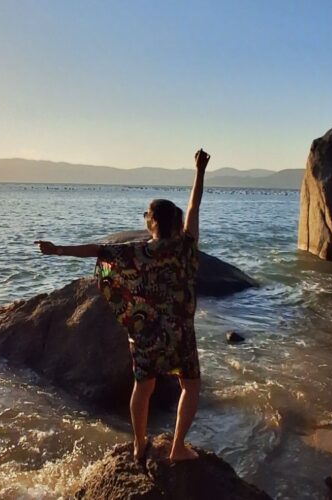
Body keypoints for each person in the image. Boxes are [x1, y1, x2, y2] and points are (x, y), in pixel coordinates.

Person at [35, 149, 210, 463]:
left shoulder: (138, 251)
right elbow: (194, 205)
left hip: (145, 332)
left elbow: (97, 251)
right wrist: (199, 171)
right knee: (190, 386)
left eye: (146, 214)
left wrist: (57, 250)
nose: (143, 217)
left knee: (143, 387)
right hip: (180, 333)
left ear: (154, 222)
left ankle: (138, 444)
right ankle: (177, 448)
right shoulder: (187, 247)